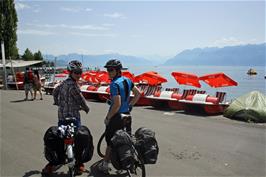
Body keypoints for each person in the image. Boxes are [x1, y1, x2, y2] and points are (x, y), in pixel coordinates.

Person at [42, 60, 90, 175]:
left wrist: (57, 102)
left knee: (61, 138)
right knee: (77, 138)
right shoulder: (74, 86)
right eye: (76, 72)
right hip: (73, 116)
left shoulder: (63, 83)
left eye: (80, 72)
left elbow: (55, 91)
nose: (78, 75)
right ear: (70, 72)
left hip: (62, 116)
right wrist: (86, 108)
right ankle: (79, 164)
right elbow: (80, 99)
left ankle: (56, 160)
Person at [98, 59, 141, 174]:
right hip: (127, 115)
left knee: (111, 142)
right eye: (107, 69)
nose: (108, 72)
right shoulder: (128, 80)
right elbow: (138, 94)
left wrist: (108, 118)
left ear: (117, 71)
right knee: (125, 139)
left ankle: (105, 165)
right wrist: (130, 106)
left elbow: (116, 104)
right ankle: (125, 164)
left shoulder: (114, 84)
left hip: (116, 117)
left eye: (110, 70)